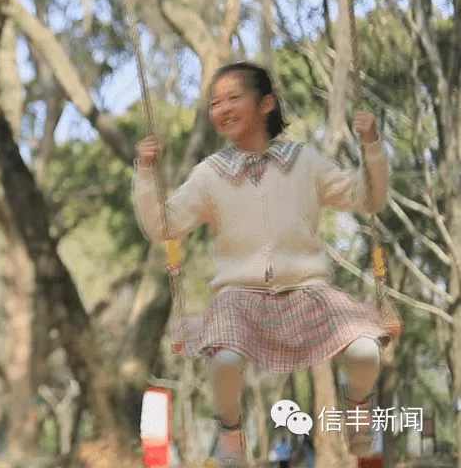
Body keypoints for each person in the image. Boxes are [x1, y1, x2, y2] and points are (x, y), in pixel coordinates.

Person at [132, 62, 391, 467]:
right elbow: (163, 225)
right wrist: (146, 172)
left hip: (307, 288)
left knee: (364, 351)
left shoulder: (305, 161)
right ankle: (230, 433)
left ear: (266, 103)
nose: (222, 109)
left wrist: (371, 144)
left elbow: (368, 198)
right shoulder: (210, 174)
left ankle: (358, 409)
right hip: (240, 294)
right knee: (225, 361)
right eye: (215, 103)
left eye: (233, 98)